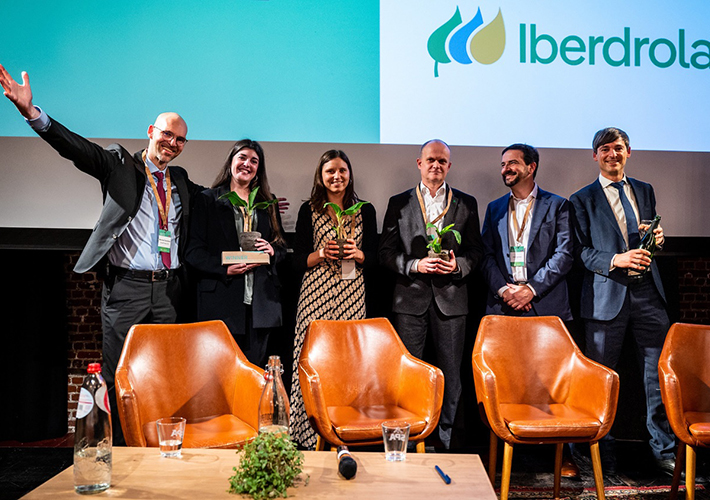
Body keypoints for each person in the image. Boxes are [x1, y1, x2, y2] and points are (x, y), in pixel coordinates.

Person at [0, 64, 204, 445]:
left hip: (169, 289)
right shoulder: (119, 163)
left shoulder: (181, 181)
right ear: (151, 132)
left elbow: (215, 198)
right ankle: (122, 452)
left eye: (180, 140)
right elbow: (76, 148)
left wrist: (258, 198)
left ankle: (159, 447)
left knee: (162, 372)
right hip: (127, 288)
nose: (172, 143)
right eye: (167, 134)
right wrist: (32, 113)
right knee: (118, 374)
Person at [569, 127, 675, 476]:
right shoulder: (581, 199)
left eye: (618, 148)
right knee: (601, 379)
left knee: (655, 378)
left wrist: (657, 239)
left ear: (628, 151)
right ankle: (598, 452)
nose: (612, 154)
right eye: (604, 149)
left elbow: (650, 242)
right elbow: (582, 252)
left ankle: (664, 451)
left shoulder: (644, 190)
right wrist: (617, 259)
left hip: (648, 295)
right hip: (605, 297)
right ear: (594, 156)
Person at [480, 143, 578, 476]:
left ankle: (562, 455)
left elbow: (565, 255)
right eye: (503, 164)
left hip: (545, 306)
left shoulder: (558, 205)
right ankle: (508, 454)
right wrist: (505, 289)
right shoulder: (494, 208)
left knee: (552, 386)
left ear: (531, 167)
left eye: (513, 163)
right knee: (509, 386)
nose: (506, 168)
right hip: (504, 306)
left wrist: (531, 289)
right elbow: (487, 256)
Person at [379, 139, 483, 449]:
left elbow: (477, 251)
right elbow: (385, 253)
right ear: (419, 163)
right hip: (409, 301)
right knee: (409, 376)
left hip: (452, 301)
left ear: (449, 166)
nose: (436, 165)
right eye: (430, 160)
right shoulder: (399, 203)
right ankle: (409, 444)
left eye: (442, 161)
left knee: (451, 377)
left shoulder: (466, 203)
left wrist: (458, 266)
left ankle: (447, 442)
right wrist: (415, 265)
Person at [289, 150, 378, 449]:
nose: (336, 176)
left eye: (342, 170)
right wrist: (321, 254)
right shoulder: (308, 210)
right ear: (320, 176)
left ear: (350, 174)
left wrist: (359, 254)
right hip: (315, 292)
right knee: (311, 362)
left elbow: (376, 258)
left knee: (349, 364)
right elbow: (296, 259)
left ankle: (346, 434)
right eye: (330, 171)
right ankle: (305, 436)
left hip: (352, 293)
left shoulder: (365, 210)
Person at [184, 140, 285, 367]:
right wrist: (224, 268)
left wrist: (271, 251)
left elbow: (281, 247)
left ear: (259, 168)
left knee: (255, 375)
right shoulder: (208, 199)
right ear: (231, 161)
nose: (247, 164)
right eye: (242, 158)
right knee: (219, 374)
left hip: (260, 306)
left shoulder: (268, 202)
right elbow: (193, 252)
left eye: (254, 161)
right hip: (221, 302)